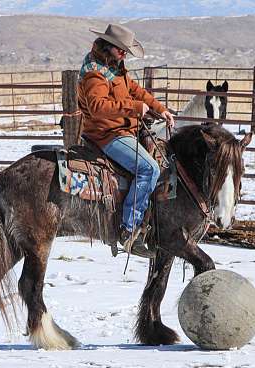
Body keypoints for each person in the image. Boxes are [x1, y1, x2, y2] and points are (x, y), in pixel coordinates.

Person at [78, 23, 175, 258]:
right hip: (106, 135)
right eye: (121, 49)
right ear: (109, 46)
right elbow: (98, 107)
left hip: (120, 130)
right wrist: (134, 108)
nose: (124, 54)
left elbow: (135, 90)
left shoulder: (116, 68)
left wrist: (159, 109)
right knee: (149, 169)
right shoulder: (95, 73)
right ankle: (129, 229)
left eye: (125, 51)